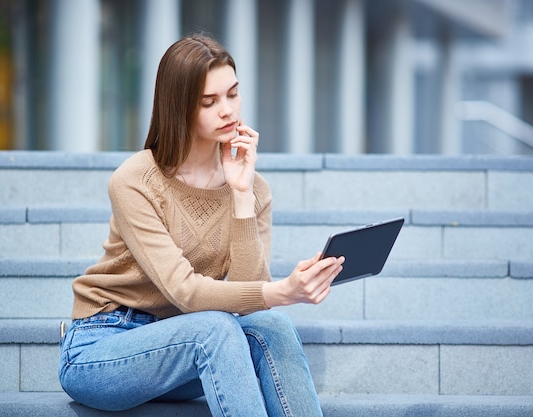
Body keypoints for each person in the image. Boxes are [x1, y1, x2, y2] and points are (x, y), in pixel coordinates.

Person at [58, 34, 344, 417]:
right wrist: (284, 291)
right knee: (214, 329)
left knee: (271, 328)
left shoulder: (254, 188)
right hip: (103, 346)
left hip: (185, 346)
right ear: (179, 108)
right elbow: (186, 292)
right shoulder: (136, 180)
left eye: (233, 94)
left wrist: (241, 194)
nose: (227, 110)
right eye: (209, 102)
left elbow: (250, 304)